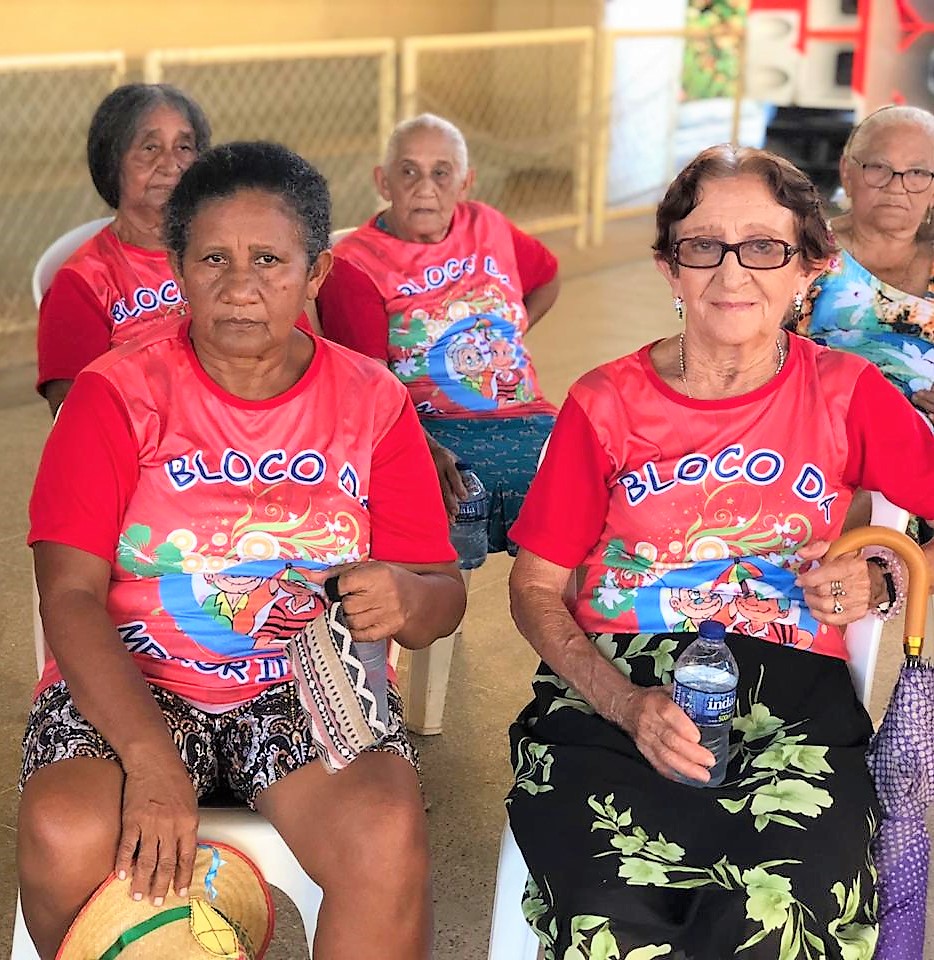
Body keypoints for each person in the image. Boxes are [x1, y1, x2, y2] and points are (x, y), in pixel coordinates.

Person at [17, 141, 466, 960]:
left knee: (384, 833)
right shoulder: (114, 395)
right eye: (212, 259)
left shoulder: (373, 402)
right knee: (64, 829)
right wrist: (152, 761)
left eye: (269, 259)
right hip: (134, 681)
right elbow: (70, 595)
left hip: (308, 687)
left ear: (315, 272)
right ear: (178, 269)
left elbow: (441, 597)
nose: (240, 286)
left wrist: (409, 596)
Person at [505, 144, 934, 959]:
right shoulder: (605, 403)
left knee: (781, 911)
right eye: (704, 246)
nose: (733, 274)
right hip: (612, 692)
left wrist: (885, 574)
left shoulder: (845, 391)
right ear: (671, 268)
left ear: (811, 266)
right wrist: (625, 704)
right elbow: (533, 588)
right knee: (611, 911)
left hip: (794, 700)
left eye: (765, 247)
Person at [317, 112, 560, 557]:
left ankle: (572, 622)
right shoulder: (356, 262)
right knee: (441, 497)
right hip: (433, 428)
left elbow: (548, 275)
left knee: (600, 484)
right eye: (408, 171)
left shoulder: (487, 225)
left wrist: (516, 326)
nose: (424, 187)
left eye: (441, 172)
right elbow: (367, 384)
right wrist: (423, 445)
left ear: (466, 182)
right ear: (383, 182)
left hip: (529, 415)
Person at [36, 83, 211, 415]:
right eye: (149, 147)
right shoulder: (83, 281)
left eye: (184, 147)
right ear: (112, 162)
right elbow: (74, 414)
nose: (171, 163)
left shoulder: (229, 251)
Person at [798, 105, 934, 416]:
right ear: (846, 171)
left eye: (917, 172)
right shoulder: (803, 253)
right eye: (878, 167)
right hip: (821, 432)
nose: (896, 185)